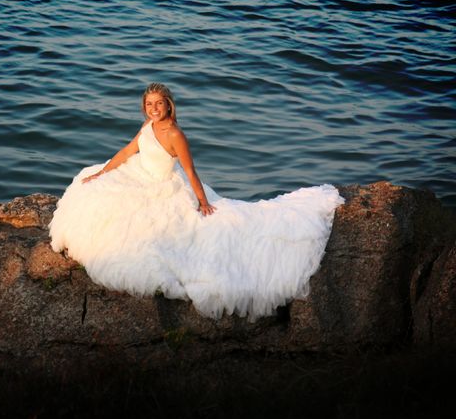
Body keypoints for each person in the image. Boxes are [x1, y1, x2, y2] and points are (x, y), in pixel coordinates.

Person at [49, 82, 344, 320]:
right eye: (149, 104)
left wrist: (202, 202)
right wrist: (102, 172)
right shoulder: (146, 127)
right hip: (139, 175)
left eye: (159, 104)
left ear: (169, 105)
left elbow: (190, 171)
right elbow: (127, 152)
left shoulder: (176, 134)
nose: (154, 109)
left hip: (164, 185)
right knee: (92, 187)